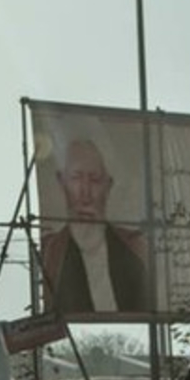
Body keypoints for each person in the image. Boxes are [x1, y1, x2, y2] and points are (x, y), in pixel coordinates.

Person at [41, 123, 148, 314]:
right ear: (61, 181)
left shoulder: (137, 247)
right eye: (76, 178)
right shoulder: (49, 254)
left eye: (95, 179)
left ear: (108, 185)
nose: (85, 194)